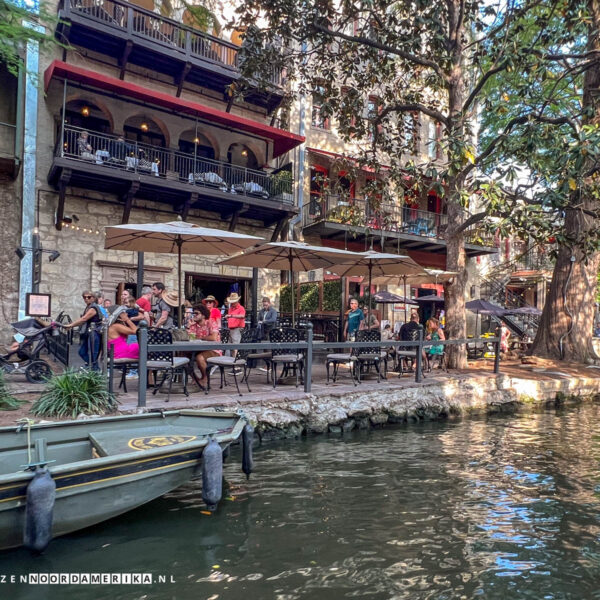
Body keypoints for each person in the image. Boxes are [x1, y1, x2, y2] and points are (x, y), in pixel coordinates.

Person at [64, 290, 103, 370]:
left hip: (95, 333)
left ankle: (95, 371)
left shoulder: (93, 308)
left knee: (93, 355)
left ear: (93, 298)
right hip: (88, 333)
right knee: (82, 352)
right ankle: (91, 367)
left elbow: (84, 319)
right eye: (84, 297)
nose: (86, 299)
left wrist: (71, 325)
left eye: (89, 297)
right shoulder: (88, 307)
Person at [187, 304, 222, 385]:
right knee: (183, 356)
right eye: (193, 313)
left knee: (199, 357)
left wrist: (200, 338)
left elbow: (213, 337)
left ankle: (205, 378)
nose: (194, 315)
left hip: (214, 350)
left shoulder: (211, 322)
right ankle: (195, 378)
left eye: (196, 313)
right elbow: (190, 338)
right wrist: (188, 327)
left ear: (203, 315)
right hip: (198, 349)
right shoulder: (194, 326)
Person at [225, 292, 245, 357]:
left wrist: (231, 316)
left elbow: (242, 316)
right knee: (230, 346)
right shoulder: (230, 308)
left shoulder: (241, 308)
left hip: (237, 328)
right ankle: (230, 361)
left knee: (235, 346)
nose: (232, 303)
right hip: (231, 328)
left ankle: (235, 363)